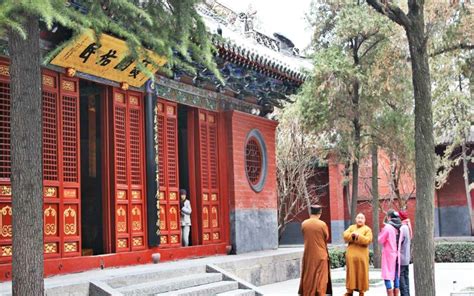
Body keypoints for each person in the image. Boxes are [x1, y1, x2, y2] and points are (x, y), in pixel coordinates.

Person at [298, 205, 332, 296]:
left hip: (308, 254)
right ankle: (320, 293)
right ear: (320, 213)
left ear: (310, 212)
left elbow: (303, 234)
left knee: (309, 274)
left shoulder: (304, 223)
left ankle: (308, 293)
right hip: (321, 254)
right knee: (321, 276)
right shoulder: (322, 224)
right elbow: (326, 236)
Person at [343, 213, 373, 296]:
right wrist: (352, 235)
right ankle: (349, 291)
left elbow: (368, 240)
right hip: (351, 257)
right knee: (351, 273)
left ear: (365, 220)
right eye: (358, 218)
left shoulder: (367, 229)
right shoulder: (351, 227)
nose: (360, 220)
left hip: (362, 257)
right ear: (355, 219)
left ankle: (361, 291)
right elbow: (345, 235)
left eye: (362, 218)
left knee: (362, 273)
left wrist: (358, 236)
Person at [378, 210, 403, 296]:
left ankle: (390, 294)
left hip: (389, 254)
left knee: (387, 275)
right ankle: (396, 293)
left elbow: (380, 240)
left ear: (389, 217)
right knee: (396, 274)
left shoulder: (388, 227)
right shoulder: (401, 226)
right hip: (398, 254)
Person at [398, 210, 411, 296]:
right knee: (406, 277)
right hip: (407, 257)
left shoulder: (402, 228)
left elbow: (400, 241)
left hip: (402, 257)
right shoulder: (408, 226)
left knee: (402, 278)